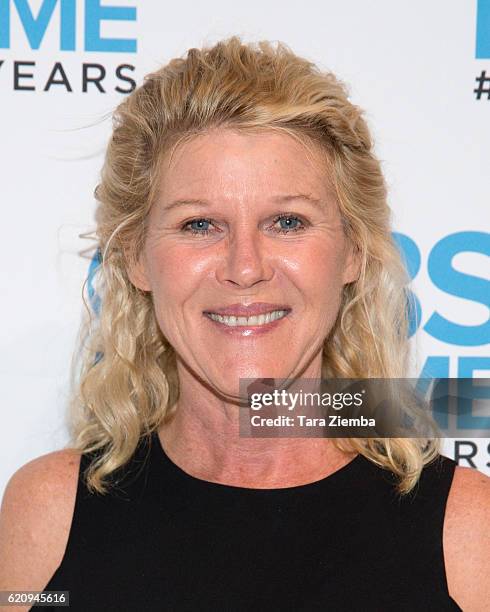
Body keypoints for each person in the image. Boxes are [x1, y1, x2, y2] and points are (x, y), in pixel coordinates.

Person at [0, 37, 488, 612]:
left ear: (354, 252)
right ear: (135, 257)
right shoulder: (50, 513)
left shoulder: (468, 536)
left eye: (287, 220)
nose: (246, 267)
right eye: (200, 225)